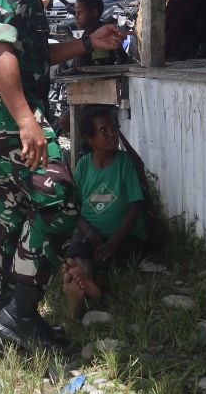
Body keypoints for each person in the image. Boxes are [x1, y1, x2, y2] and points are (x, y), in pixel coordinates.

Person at [0, 0, 124, 354]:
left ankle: (7, 318)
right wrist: (25, 120)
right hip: (9, 120)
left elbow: (31, 54)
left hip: (1, 121)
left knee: (8, 208)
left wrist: (89, 41)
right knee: (60, 201)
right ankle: (20, 314)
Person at [62, 108, 148, 318]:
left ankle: (90, 287)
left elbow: (137, 206)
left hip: (124, 237)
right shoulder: (83, 166)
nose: (113, 133)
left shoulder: (124, 163)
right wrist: (89, 232)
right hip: (91, 233)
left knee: (108, 258)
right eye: (104, 130)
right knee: (80, 254)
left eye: (114, 128)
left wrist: (113, 242)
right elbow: (76, 208)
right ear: (90, 138)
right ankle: (82, 282)